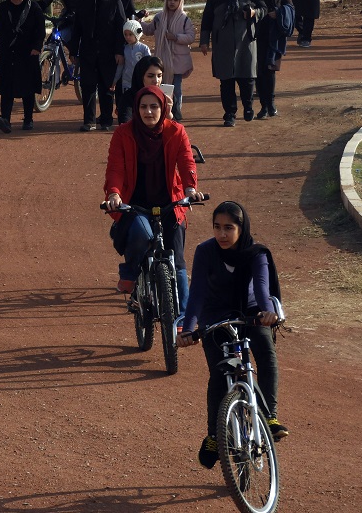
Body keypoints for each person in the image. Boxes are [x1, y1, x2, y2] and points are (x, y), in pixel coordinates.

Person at [176, 200, 289, 469]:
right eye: (217, 227)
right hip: (215, 314)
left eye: (229, 228)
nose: (222, 234)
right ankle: (215, 436)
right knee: (218, 373)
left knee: (265, 354)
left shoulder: (256, 253)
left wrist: (267, 312)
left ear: (242, 228)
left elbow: (262, 287)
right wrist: (189, 328)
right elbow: (198, 293)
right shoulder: (205, 251)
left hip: (251, 311)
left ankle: (270, 416)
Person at [103, 85, 204, 320]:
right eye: (143, 107)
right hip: (135, 204)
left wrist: (191, 189)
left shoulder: (176, 131)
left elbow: (187, 160)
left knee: (177, 258)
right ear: (136, 110)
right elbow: (115, 168)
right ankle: (129, 272)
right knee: (141, 234)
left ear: (163, 108)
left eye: (154, 106)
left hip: (171, 202)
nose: (149, 112)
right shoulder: (123, 133)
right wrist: (114, 194)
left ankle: (182, 319)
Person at [200, 0, 266, 127]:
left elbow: (264, 9)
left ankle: (248, 106)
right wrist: (204, 41)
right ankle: (230, 114)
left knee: (247, 78)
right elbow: (207, 17)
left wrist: (254, 12)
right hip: (223, 43)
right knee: (226, 80)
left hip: (245, 41)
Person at [0, 0, 46, 134]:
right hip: (7, 53)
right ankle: (5, 119)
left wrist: (36, 47)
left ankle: (28, 119)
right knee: (7, 87)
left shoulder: (34, 9)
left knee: (27, 87)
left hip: (28, 54)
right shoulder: (3, 8)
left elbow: (40, 31)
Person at [68, 0, 126, 132]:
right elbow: (77, 28)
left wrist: (119, 51)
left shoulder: (114, 1)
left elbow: (120, 28)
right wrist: (73, 50)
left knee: (106, 86)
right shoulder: (83, 1)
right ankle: (89, 120)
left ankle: (106, 120)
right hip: (88, 51)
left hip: (108, 52)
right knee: (87, 85)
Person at [142, 0, 195, 121]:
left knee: (175, 89)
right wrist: (139, 22)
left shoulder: (184, 19)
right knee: (160, 87)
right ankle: (162, 112)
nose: (172, 2)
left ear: (180, 1)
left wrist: (175, 37)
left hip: (177, 62)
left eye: (175, 0)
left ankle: (176, 113)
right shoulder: (159, 17)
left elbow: (191, 37)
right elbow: (149, 30)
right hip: (161, 60)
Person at [251, 0, 294, 119]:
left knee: (270, 70)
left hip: (274, 36)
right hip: (256, 36)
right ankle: (263, 106)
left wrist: (279, 12)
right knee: (259, 71)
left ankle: (271, 104)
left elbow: (291, 7)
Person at [112, 19, 151, 125]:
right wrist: (115, 81)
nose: (128, 37)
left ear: (137, 34)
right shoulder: (124, 49)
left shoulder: (144, 49)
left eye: (130, 34)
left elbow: (149, 66)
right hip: (126, 82)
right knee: (127, 102)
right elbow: (120, 67)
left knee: (140, 101)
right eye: (125, 34)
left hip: (140, 83)